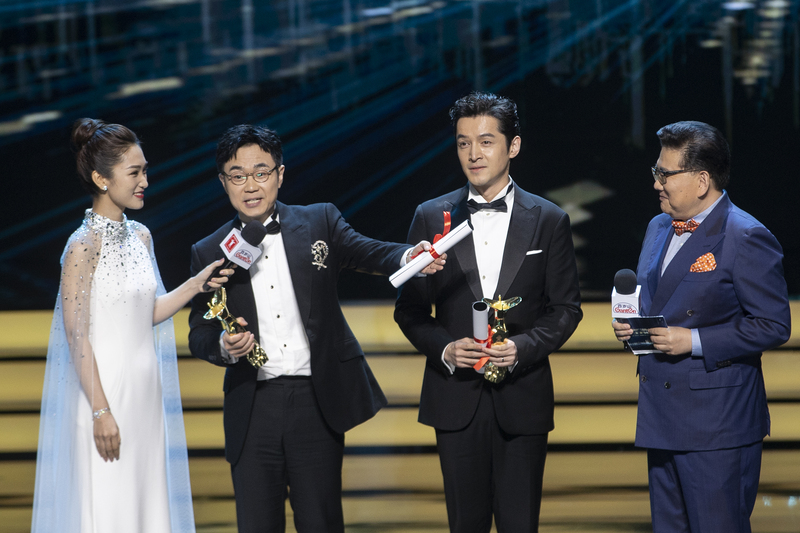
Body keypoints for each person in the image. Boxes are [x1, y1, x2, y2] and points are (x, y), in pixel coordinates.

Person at [187, 124, 445, 533]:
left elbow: (368, 252)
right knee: (256, 523)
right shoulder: (209, 251)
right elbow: (198, 331)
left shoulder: (318, 221)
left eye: (261, 172)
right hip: (252, 405)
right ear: (223, 182)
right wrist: (223, 344)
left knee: (321, 520)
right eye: (237, 175)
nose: (250, 185)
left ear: (280, 175)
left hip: (315, 399)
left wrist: (408, 256)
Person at [31, 118, 231, 533]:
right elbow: (76, 335)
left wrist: (195, 284)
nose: (145, 181)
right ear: (101, 179)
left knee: (145, 505)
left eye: (145, 170)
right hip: (105, 395)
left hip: (145, 393)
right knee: (110, 507)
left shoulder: (141, 236)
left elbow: (147, 312)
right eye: (135, 172)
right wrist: (101, 410)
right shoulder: (82, 246)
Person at [394, 92, 583, 531]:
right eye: (463, 143)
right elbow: (410, 309)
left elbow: (565, 309)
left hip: (523, 396)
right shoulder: (430, 216)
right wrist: (445, 349)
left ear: (513, 146)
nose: (473, 154)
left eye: (485, 141)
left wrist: (522, 348)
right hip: (455, 396)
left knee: (521, 523)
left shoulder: (549, 219)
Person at [611, 121, 791, 532]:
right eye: (656, 171)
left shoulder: (745, 235)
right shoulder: (658, 226)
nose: (656, 183)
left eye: (665, 174)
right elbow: (661, 302)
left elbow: (773, 324)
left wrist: (692, 340)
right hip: (661, 417)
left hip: (717, 426)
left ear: (702, 181)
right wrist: (634, 329)